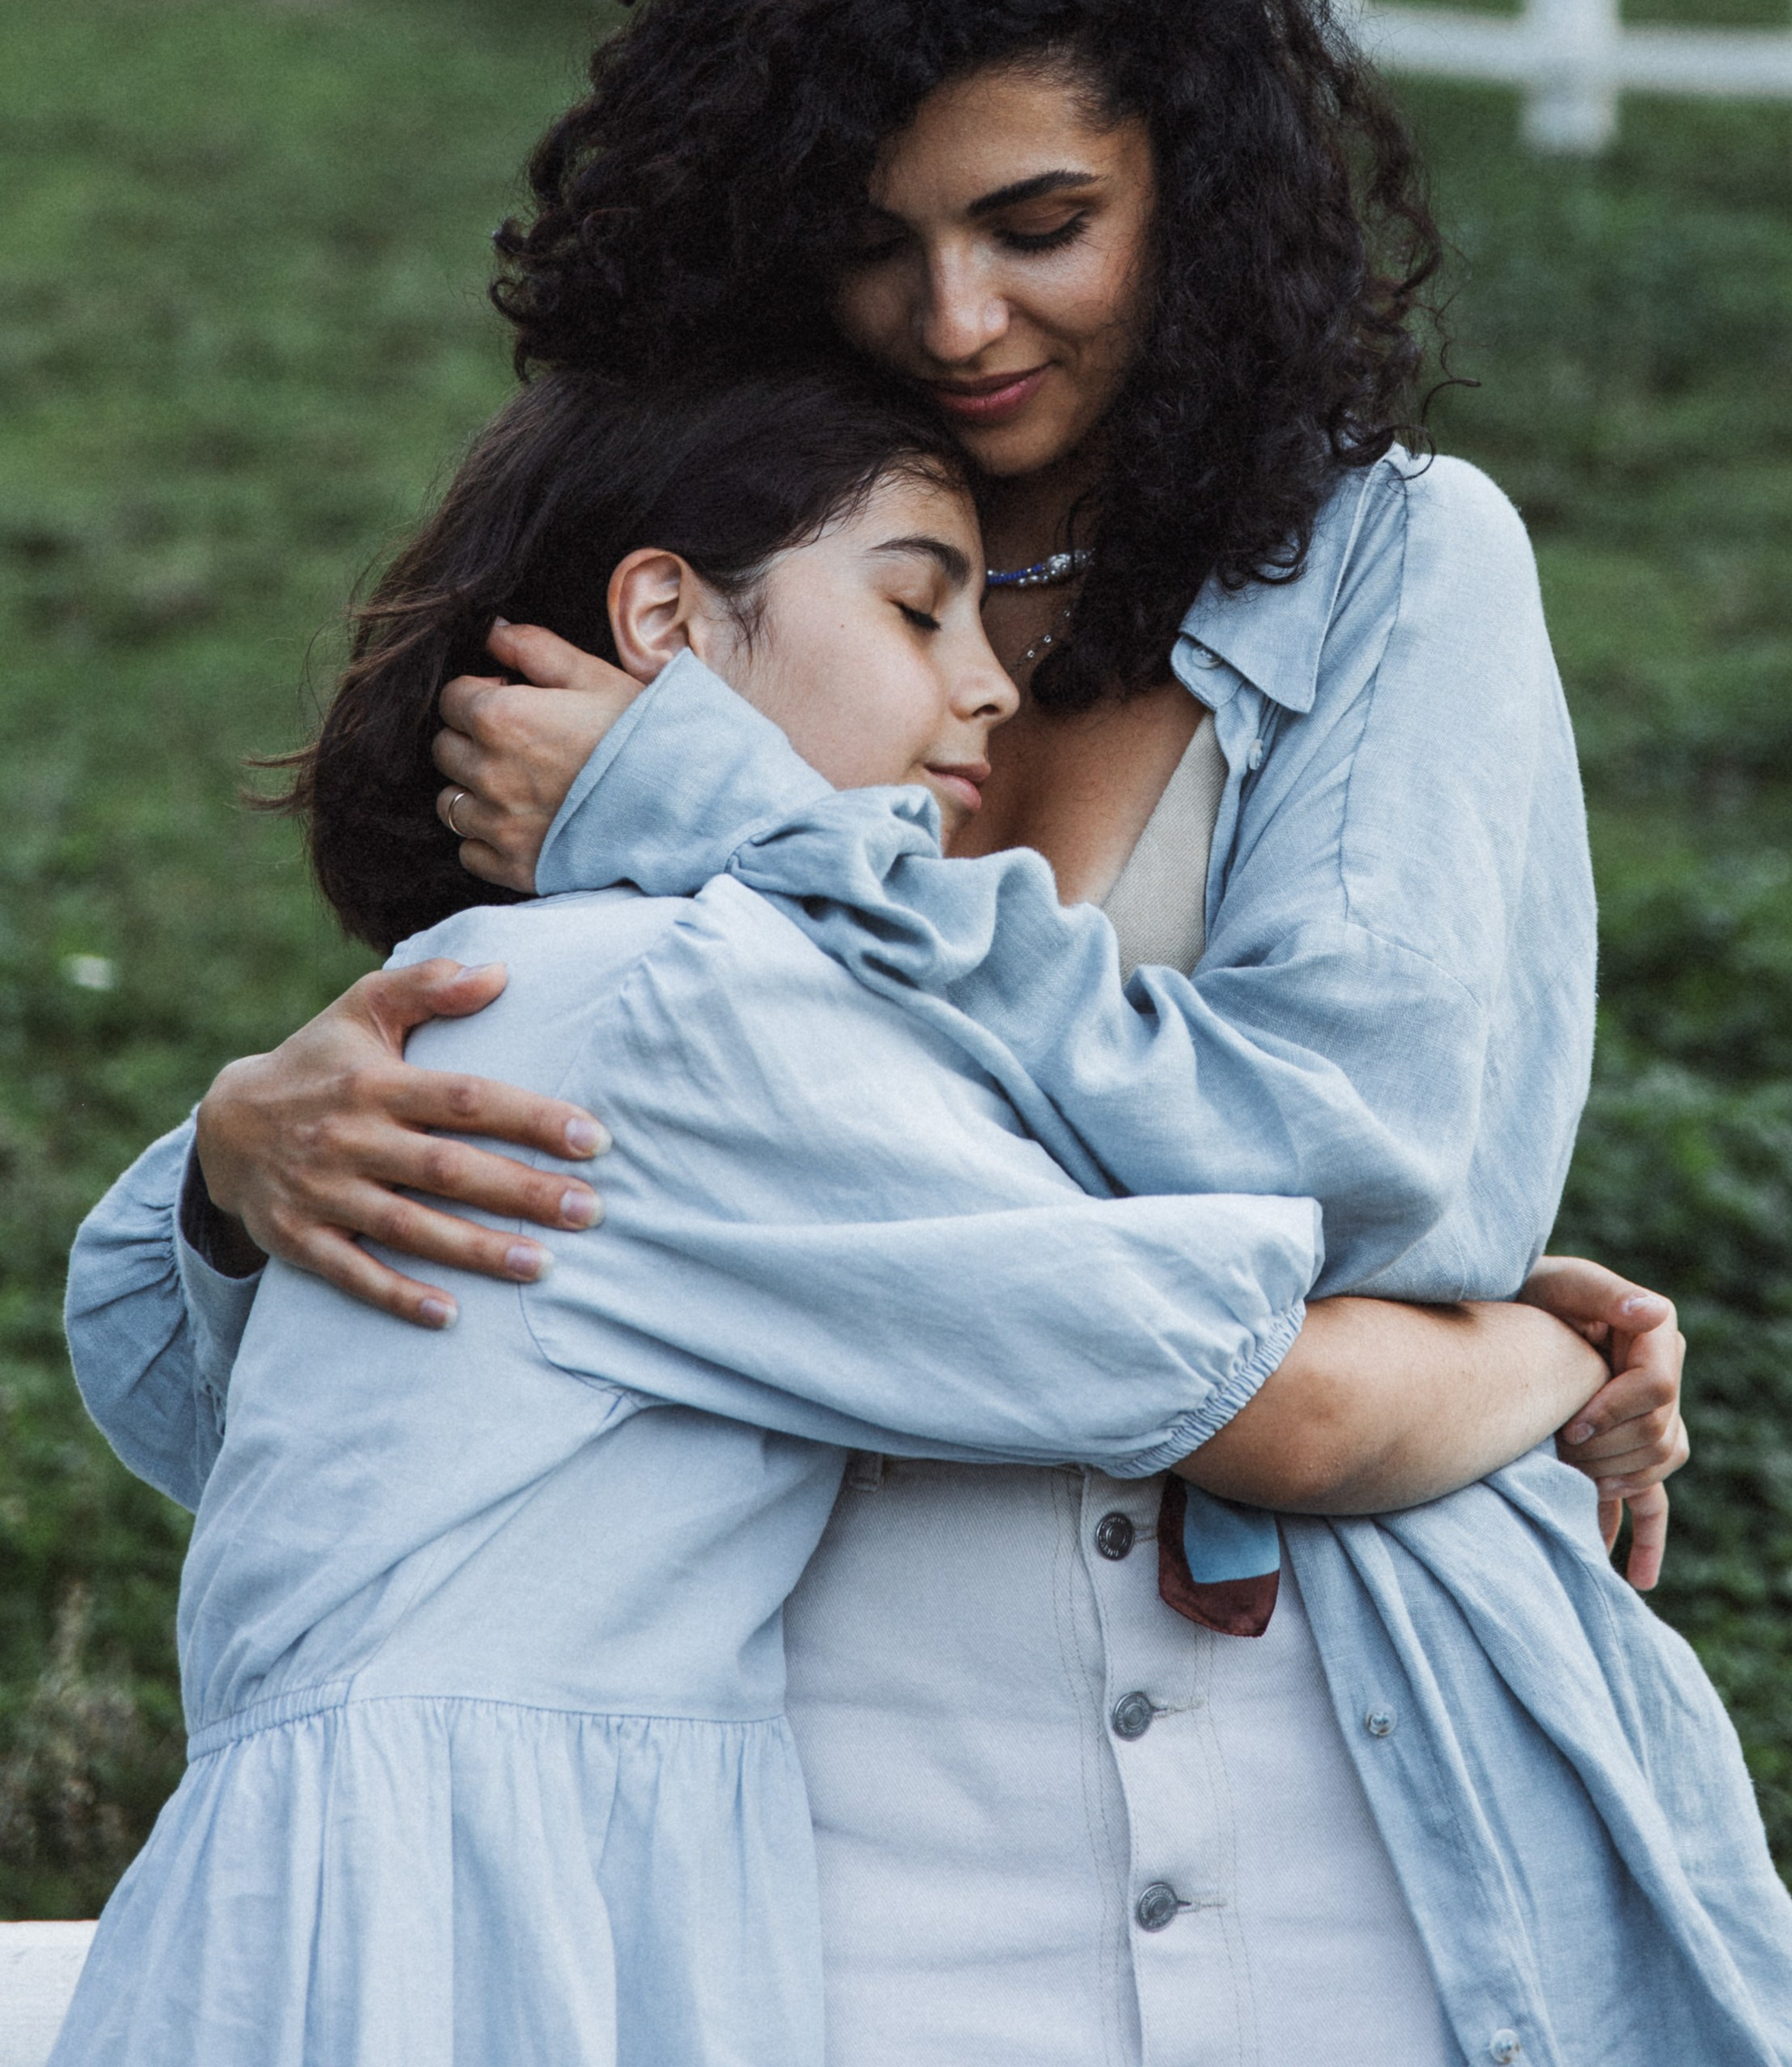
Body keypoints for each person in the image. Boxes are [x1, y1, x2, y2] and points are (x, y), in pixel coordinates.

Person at [73, 0, 1792, 2066]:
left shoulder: (1398, 567)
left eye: (1039, 222)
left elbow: (1369, 1178)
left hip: (1342, 1787)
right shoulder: (742, 570)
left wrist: (742, 828)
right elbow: (549, 1218)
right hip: (814, 1845)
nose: (953, 314)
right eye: (872, 238)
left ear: (1191, 193)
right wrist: (235, 1170)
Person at [63, 361, 1612, 2067]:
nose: (990, 683)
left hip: (357, 1878)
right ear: (665, 618)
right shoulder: (701, 1006)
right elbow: (1262, 1400)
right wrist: (1553, 1349)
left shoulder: (488, 979)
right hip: (484, 1901)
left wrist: (221, 1160)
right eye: (917, 608)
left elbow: (152, 1370)